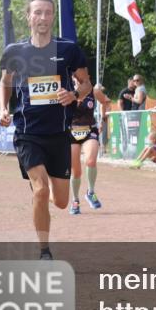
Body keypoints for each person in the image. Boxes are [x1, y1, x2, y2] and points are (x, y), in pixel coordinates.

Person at [0, 0, 91, 260]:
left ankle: (48, 191)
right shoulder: (15, 52)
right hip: (28, 134)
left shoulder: (68, 50)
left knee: (61, 201)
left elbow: (85, 84)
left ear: (53, 17)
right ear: (28, 17)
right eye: (37, 12)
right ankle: (44, 251)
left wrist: (74, 95)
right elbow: (5, 83)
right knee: (40, 190)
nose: (43, 18)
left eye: (48, 13)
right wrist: (3, 109)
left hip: (59, 134)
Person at [68, 79, 103, 215]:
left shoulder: (93, 91)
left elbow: (106, 102)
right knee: (76, 172)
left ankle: (90, 192)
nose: (78, 79)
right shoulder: (66, 92)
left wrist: (103, 121)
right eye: (75, 77)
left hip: (90, 130)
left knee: (91, 161)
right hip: (71, 132)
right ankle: (75, 200)